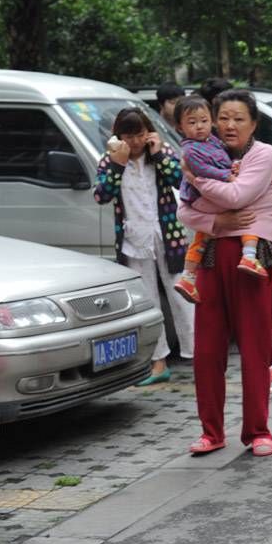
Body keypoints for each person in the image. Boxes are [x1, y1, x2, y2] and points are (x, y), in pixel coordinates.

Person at [176, 89, 272, 456]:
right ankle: (211, 432)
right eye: (223, 117)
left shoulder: (263, 154)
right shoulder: (206, 151)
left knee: (254, 347)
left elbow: (237, 196)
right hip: (210, 257)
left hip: (254, 259)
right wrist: (218, 220)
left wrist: (195, 179)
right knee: (207, 350)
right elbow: (184, 213)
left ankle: (257, 431)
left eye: (238, 118)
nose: (229, 124)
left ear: (253, 123)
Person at [93, 108, 194, 385]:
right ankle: (158, 362)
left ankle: (199, 356)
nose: (136, 141)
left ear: (148, 132)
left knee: (183, 297)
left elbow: (181, 181)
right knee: (148, 301)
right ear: (119, 136)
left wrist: (159, 153)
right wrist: (118, 164)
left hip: (169, 237)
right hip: (134, 240)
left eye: (140, 134)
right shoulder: (111, 159)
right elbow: (101, 195)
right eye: (129, 135)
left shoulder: (159, 154)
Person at [171, 95, 266, 305]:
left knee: (202, 236)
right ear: (179, 127)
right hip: (198, 197)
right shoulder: (190, 148)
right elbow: (202, 169)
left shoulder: (212, 141)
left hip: (204, 196)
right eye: (192, 123)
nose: (199, 127)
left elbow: (222, 159)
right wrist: (228, 176)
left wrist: (234, 165)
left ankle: (188, 276)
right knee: (244, 207)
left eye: (204, 121)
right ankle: (249, 256)